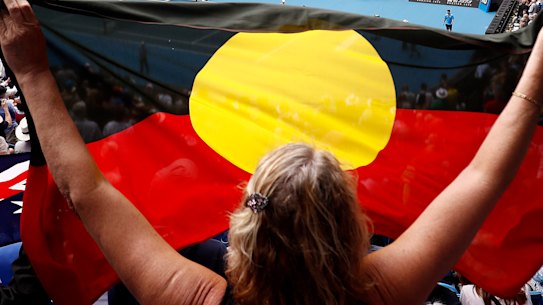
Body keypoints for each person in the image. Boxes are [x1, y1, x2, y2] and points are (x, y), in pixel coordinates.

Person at [0, 0, 543, 304]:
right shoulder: (383, 293)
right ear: (355, 227)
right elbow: (482, 176)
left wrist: (31, 69)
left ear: (243, 226)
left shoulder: (196, 298)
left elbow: (83, 188)